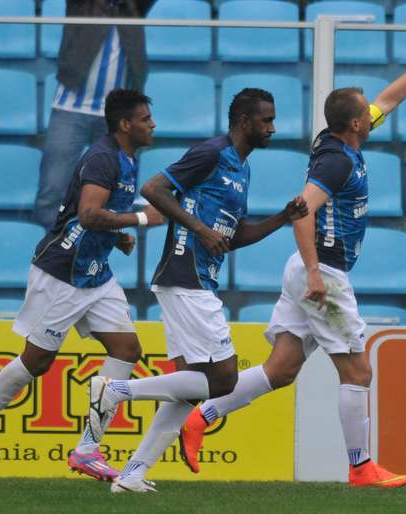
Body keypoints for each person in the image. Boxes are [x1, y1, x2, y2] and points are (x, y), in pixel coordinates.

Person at [177, 41, 406, 488]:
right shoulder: (335, 161)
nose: (374, 114)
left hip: (309, 269)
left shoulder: (340, 140)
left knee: (282, 368)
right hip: (322, 273)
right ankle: (361, 466)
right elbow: (303, 209)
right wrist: (314, 273)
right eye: (365, 114)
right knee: (357, 371)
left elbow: (389, 99)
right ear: (355, 123)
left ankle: (202, 417)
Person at [79, 88, 308, 493]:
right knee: (224, 380)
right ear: (243, 122)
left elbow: (233, 237)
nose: (273, 127)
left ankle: (132, 475)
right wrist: (199, 228)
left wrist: (282, 219)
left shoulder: (241, 168)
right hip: (186, 276)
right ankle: (115, 390)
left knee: (188, 387)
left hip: (198, 277)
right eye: (265, 120)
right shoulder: (211, 153)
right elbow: (153, 189)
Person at [0, 89, 165, 482]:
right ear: (124, 124)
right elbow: (87, 213)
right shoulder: (102, 158)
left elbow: (94, 212)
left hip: (94, 271)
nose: (153, 125)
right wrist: (140, 221)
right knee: (38, 362)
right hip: (63, 272)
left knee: (127, 349)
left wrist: (117, 236)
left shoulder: (127, 158)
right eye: (146, 118)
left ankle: (87, 449)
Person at [33, 0, 155, 230]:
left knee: (116, 198)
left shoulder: (132, 7)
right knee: (52, 192)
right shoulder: (83, 5)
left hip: (117, 119)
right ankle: (52, 253)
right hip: (70, 108)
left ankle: (99, 255)